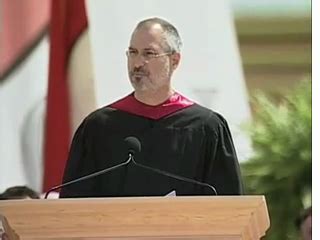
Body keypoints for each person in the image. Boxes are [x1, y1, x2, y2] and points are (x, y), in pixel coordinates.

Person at [60, 17, 243, 198]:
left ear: (174, 61)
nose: (137, 63)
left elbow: (228, 206)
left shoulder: (206, 127)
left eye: (149, 53)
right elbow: (74, 204)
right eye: (133, 52)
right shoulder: (98, 127)